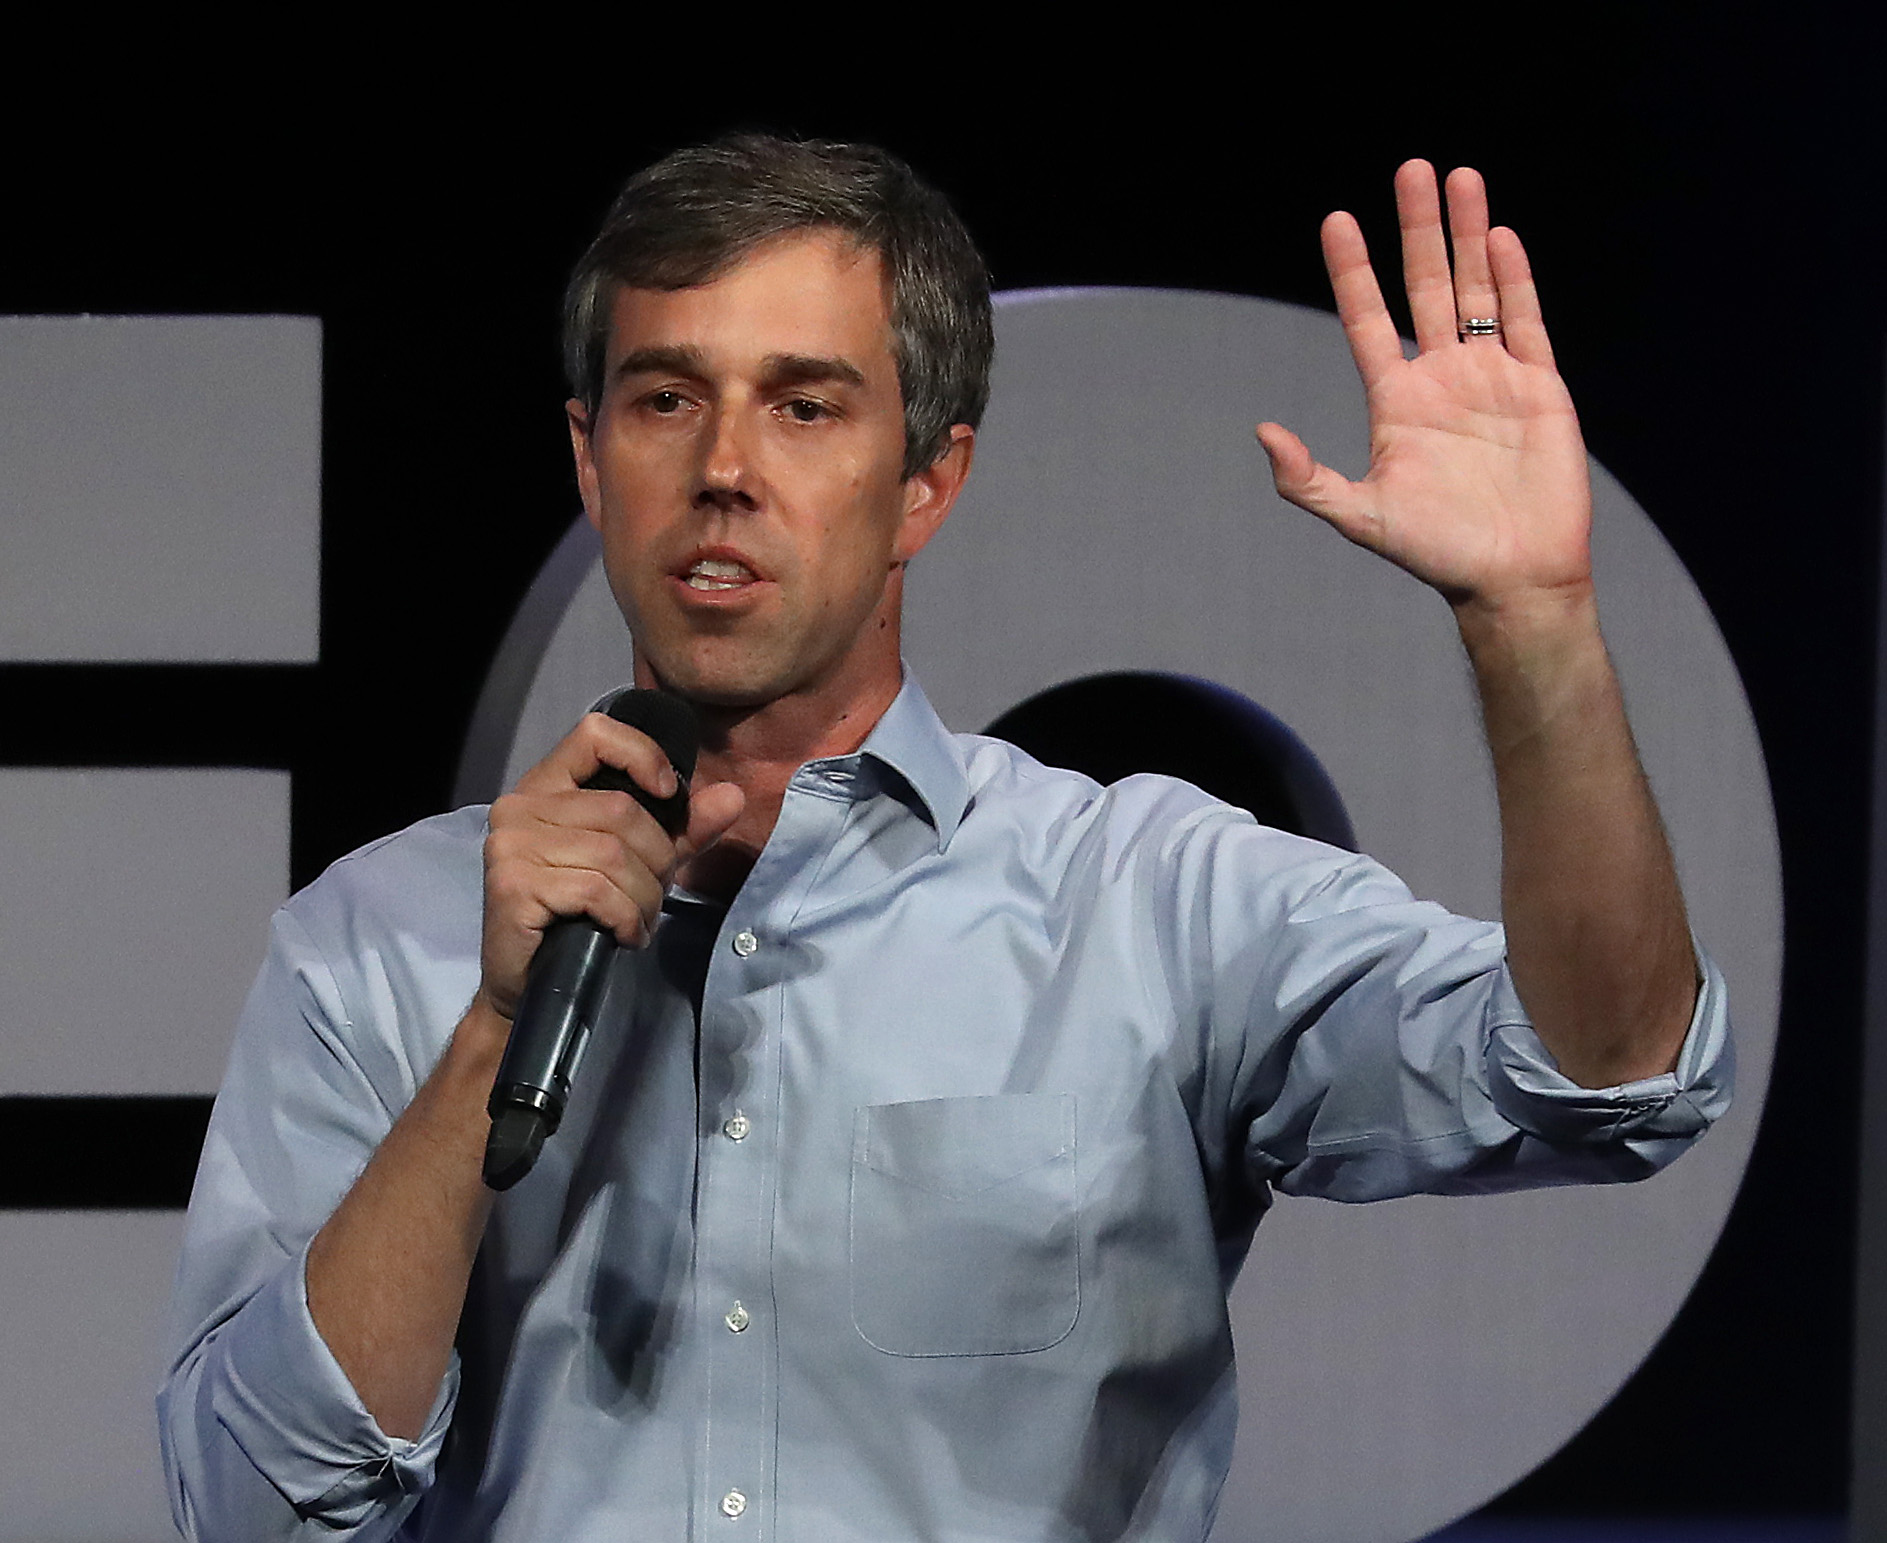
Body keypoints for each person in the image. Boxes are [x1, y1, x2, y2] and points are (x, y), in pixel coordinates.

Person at [158, 136, 1732, 1541]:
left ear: (928, 480)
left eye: (806, 405)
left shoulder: (1149, 904)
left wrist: (1536, 630)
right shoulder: (377, 941)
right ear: (590, 459)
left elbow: (1609, 1080)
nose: (722, 468)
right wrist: (490, 1028)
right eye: (665, 399)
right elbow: (253, 1513)